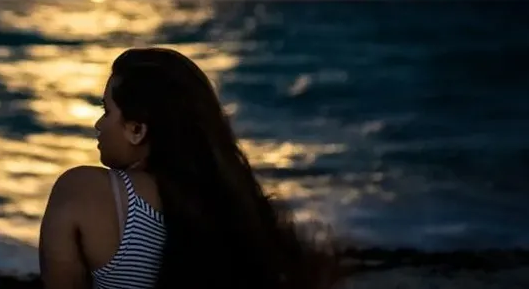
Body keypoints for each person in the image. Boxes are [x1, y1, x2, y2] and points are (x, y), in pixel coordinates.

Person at [38, 47, 338, 289]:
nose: (99, 124)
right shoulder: (241, 211)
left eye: (107, 111)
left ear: (137, 129)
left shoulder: (83, 191)